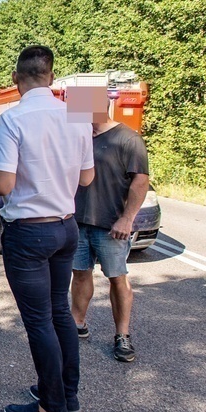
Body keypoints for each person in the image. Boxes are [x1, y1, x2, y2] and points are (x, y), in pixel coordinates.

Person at [0, 45, 95, 412]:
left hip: (29, 232)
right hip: (66, 227)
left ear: (16, 80)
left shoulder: (10, 121)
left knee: (38, 321)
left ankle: (52, 409)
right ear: (51, 76)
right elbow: (86, 179)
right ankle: (68, 395)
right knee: (59, 313)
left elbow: (4, 183)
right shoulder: (79, 115)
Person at [70, 101, 149, 362]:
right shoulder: (80, 135)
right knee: (80, 274)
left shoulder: (127, 139)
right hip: (78, 221)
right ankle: (77, 324)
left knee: (117, 278)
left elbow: (141, 180)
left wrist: (127, 219)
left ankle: (122, 336)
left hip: (111, 225)